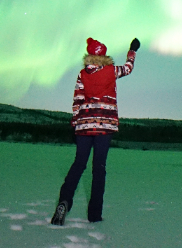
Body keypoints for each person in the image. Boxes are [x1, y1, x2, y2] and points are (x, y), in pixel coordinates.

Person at [51, 36, 140, 225]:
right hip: (104, 127)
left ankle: (64, 202)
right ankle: (94, 215)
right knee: (98, 168)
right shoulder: (111, 71)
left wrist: (75, 124)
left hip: (84, 126)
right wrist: (132, 51)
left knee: (78, 165)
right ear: (103, 55)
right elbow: (128, 68)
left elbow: (77, 102)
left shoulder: (82, 74)